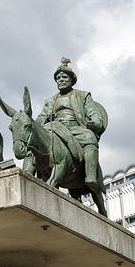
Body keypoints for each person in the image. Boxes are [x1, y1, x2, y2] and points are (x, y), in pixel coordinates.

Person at [36, 58, 106, 200]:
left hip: (76, 129)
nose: (61, 80)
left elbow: (95, 114)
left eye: (64, 77)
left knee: (89, 137)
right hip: (54, 129)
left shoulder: (83, 95)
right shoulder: (50, 101)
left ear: (71, 80)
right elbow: (41, 118)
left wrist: (95, 123)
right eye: (58, 78)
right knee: (34, 142)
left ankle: (90, 175)